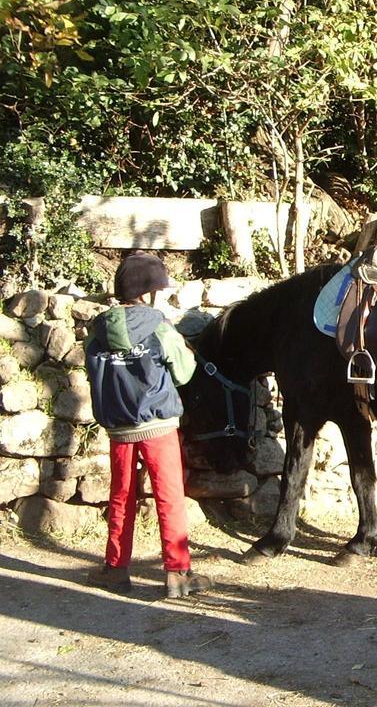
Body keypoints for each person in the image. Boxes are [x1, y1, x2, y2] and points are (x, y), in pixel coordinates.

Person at [85, 251, 213, 599]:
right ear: (149, 291)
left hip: (119, 428)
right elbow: (184, 374)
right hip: (158, 424)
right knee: (169, 496)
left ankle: (115, 570)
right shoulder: (158, 325)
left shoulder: (97, 331)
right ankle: (177, 573)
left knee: (121, 496)